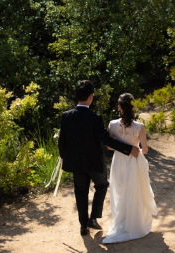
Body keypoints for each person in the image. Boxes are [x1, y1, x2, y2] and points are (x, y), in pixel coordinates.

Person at [58, 80, 140, 237]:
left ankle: (83, 225)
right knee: (102, 186)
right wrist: (129, 149)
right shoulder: (95, 118)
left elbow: (62, 140)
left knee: (80, 192)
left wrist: (63, 156)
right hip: (94, 163)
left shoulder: (66, 116)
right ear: (90, 97)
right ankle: (93, 218)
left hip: (75, 163)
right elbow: (106, 140)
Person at [102, 93, 158, 243]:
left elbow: (109, 146)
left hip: (119, 161)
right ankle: (134, 223)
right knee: (134, 191)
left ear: (119, 107)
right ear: (133, 108)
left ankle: (122, 222)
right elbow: (144, 150)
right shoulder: (139, 127)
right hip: (134, 160)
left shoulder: (112, 125)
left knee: (120, 191)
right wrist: (136, 149)